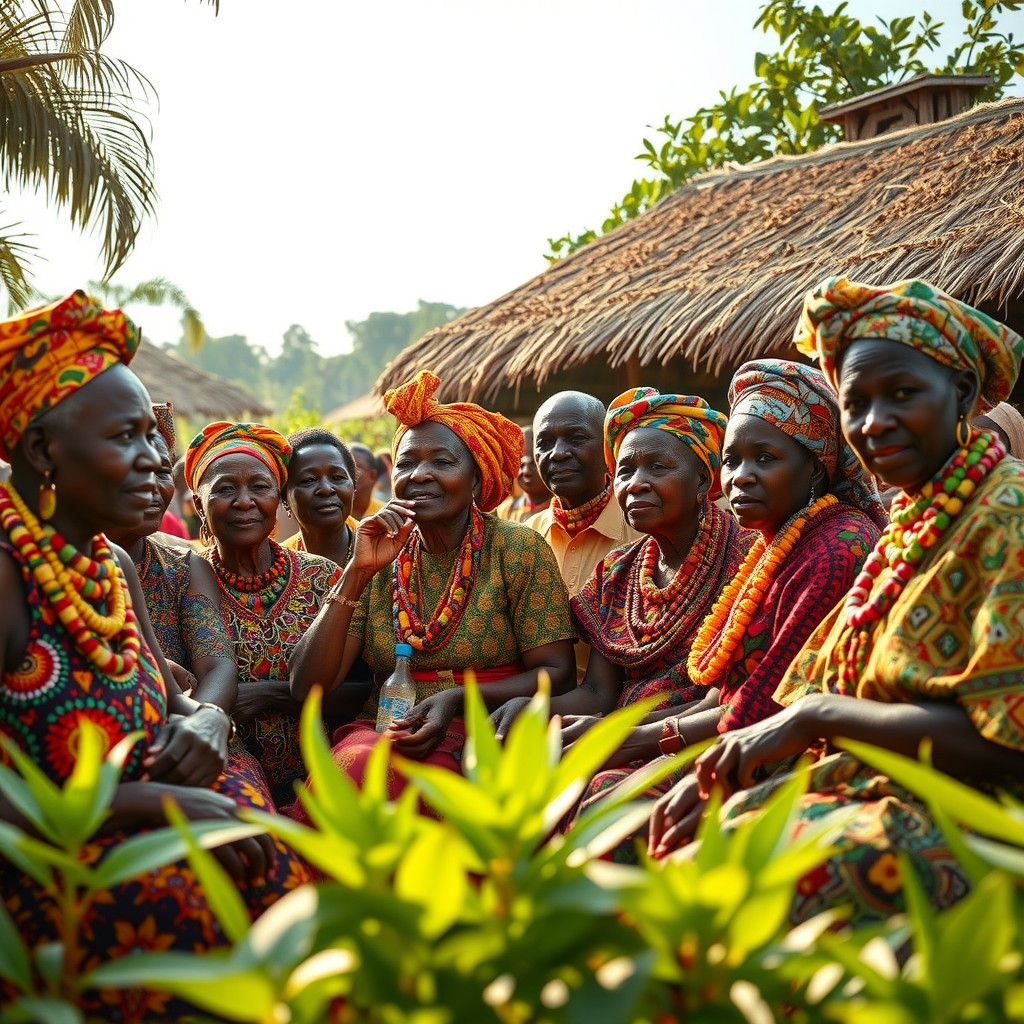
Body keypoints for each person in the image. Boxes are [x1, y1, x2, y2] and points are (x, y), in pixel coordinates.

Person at [649, 276, 1024, 928]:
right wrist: (727, 771)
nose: (875, 423)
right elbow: (804, 692)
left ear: (962, 393)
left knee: (713, 895)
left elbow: (1006, 749)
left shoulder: (1007, 514)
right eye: (857, 403)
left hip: (972, 817)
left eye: (902, 395)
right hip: (860, 788)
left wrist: (816, 717)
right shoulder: (913, 519)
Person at [0, 292, 307, 1022]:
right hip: (52, 863)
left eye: (154, 438)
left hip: (151, 822)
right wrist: (154, 804)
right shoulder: (8, 576)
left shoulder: (110, 568)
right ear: (44, 452)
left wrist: (203, 723)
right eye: (128, 438)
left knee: (282, 884)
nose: (157, 462)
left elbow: (171, 700)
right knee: (191, 913)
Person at [289, 370, 576, 800]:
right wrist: (356, 571)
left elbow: (558, 673)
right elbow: (308, 686)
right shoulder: (379, 557)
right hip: (388, 728)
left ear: (477, 480)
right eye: (406, 463)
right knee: (356, 771)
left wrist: (457, 699)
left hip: (488, 726)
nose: (419, 475)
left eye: (442, 462)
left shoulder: (518, 548)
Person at [186, 420, 355, 806]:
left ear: (277, 498)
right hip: (229, 774)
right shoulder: (186, 582)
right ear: (199, 504)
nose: (245, 501)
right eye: (225, 489)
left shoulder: (323, 577)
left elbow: (362, 690)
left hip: (328, 770)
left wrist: (268, 695)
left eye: (259, 487)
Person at [529, 391, 641, 677]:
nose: (558, 453)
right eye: (544, 443)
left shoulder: (642, 532)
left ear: (608, 449)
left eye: (576, 438)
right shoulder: (525, 537)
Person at [281, 427, 359, 566]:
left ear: (354, 488)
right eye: (308, 480)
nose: (326, 489)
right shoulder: (277, 569)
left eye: (337, 477)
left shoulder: (386, 554)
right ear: (285, 500)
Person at [496, 426, 552, 523]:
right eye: (521, 465)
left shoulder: (562, 512)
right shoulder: (506, 509)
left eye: (534, 463)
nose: (526, 471)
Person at [350, 442, 385, 520]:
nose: (349, 472)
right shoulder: (332, 513)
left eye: (356, 466)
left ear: (372, 475)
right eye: (345, 466)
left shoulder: (384, 515)